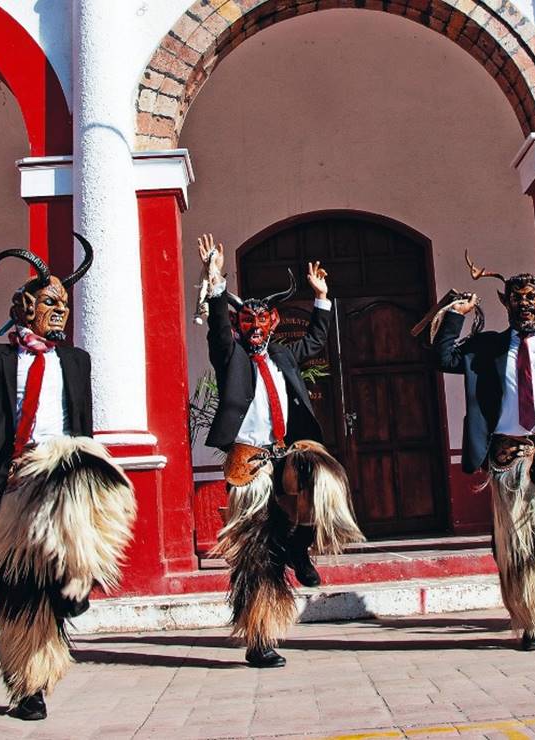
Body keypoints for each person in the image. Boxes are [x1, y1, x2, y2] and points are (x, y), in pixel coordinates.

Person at [0, 235, 135, 720]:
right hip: (15, 481)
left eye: (65, 305)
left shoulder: (75, 361)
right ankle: (29, 688)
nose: (61, 312)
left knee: (92, 497)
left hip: (65, 468)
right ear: (25, 307)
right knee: (21, 590)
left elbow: (82, 424)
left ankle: (78, 579)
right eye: (51, 304)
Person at [196, 233, 362, 668]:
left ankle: (301, 547)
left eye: (262, 321)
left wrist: (320, 297)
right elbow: (218, 331)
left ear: (273, 322)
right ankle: (259, 636)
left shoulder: (283, 356)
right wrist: (216, 283)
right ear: (240, 325)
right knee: (257, 550)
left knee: (322, 480)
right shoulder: (231, 356)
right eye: (247, 321)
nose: (255, 327)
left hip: (285, 451)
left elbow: (315, 341)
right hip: (248, 461)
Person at [433, 251, 535, 651]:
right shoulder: (486, 348)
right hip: (511, 456)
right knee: (518, 545)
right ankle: (529, 620)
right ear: (504, 302)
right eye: (516, 298)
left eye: (531, 298)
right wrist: (455, 315)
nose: (524, 305)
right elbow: (443, 358)